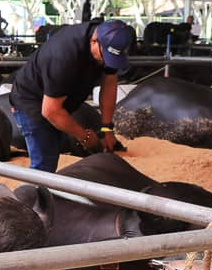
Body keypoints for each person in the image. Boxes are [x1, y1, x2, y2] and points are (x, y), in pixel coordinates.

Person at [9, 19, 134, 173]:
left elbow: (109, 83)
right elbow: (50, 111)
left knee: (54, 151)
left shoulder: (107, 42)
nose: (106, 62)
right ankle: (31, 194)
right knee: (44, 164)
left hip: (62, 101)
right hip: (32, 101)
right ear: (94, 41)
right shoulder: (63, 54)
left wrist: (106, 128)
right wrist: (84, 136)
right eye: (106, 56)